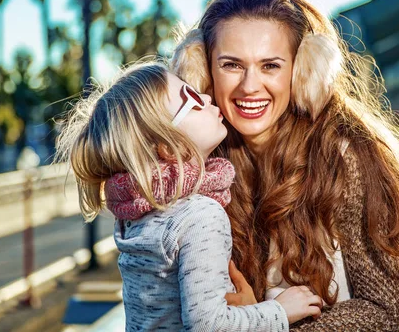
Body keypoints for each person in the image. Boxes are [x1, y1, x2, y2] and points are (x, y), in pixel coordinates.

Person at [171, 0, 399, 331]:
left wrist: (263, 322)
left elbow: (386, 310)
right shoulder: (205, 167)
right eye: (231, 64)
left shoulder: (347, 157)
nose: (249, 86)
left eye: (270, 66)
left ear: (304, 70)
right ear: (202, 70)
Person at [55, 62, 322, 331]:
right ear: (169, 147)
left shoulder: (133, 216)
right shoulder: (200, 215)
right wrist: (280, 311)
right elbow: (208, 326)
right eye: (192, 99)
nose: (206, 97)